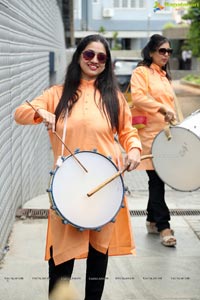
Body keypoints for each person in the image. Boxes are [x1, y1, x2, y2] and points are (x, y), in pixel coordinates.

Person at [15, 34, 142, 300]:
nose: (95, 60)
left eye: (101, 57)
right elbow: (21, 113)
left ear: (107, 63)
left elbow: (128, 132)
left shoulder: (114, 98)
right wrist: (42, 112)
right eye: (89, 54)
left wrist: (134, 150)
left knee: (98, 258)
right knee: (61, 263)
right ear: (78, 57)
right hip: (68, 190)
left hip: (105, 187)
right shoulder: (56, 94)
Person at [130, 34, 177, 247]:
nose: (166, 54)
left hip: (166, 135)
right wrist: (162, 108)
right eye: (162, 51)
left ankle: (151, 219)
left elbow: (172, 106)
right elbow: (138, 97)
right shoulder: (142, 72)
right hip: (149, 136)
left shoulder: (164, 76)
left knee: (158, 180)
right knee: (157, 180)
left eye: (169, 51)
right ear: (151, 52)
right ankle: (164, 226)